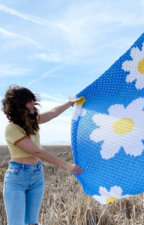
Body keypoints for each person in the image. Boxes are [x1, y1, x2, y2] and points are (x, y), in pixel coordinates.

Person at [1, 85, 83, 225]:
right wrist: (67, 165)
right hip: (17, 178)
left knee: (32, 222)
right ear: (18, 105)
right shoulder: (12, 128)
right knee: (16, 223)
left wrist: (70, 103)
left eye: (33, 100)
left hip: (37, 174)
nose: (33, 103)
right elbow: (36, 151)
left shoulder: (32, 120)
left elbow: (52, 112)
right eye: (29, 101)